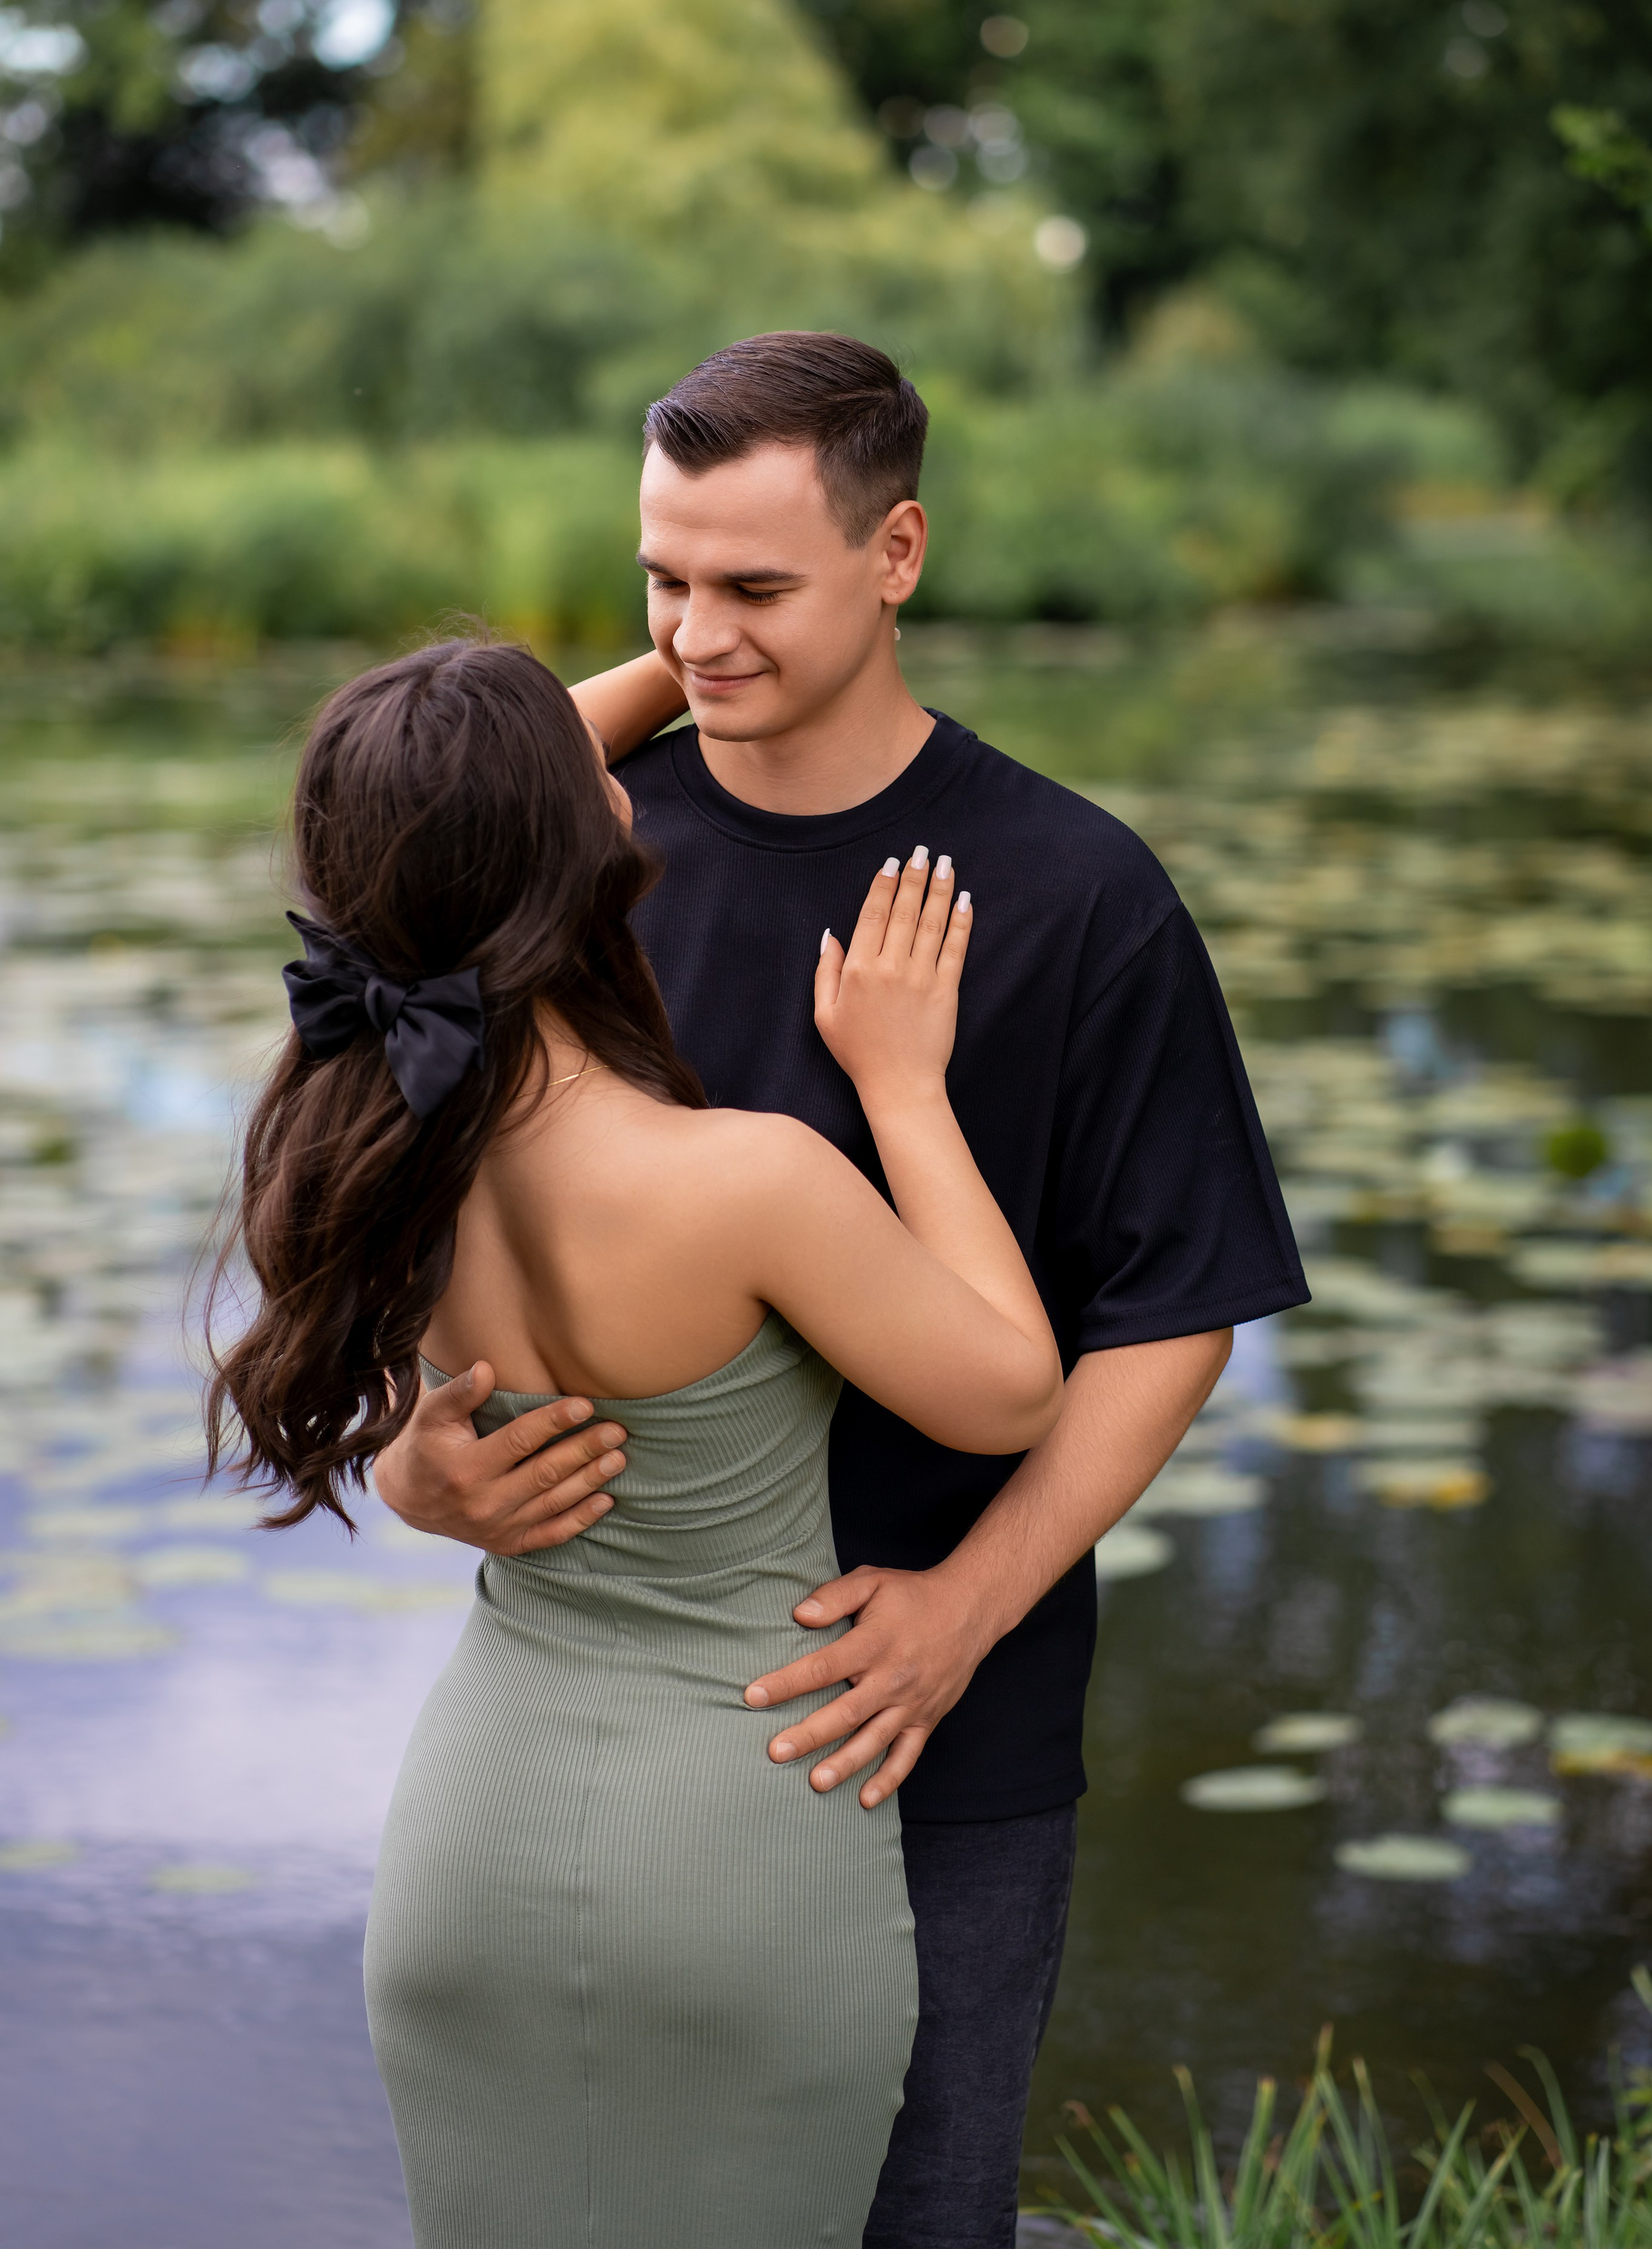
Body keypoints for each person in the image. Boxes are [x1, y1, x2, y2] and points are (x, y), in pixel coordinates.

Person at [374, 332, 1310, 2249]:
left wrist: (966, 1610)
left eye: (754, 586)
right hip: (614, 1725)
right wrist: (415, 1461)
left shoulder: (1073, 890)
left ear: (900, 556)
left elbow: (1175, 1305)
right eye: (662, 579)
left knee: (924, 2220)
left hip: (936, 1727)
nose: (698, 633)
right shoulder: (586, 858)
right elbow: (418, 1145)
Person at [204, 635, 1066, 2248]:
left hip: (476, 1844)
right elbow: (1012, 1389)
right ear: (581, 848)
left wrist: (686, 648)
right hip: (734, 1838)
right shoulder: (742, 1178)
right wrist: (904, 1085)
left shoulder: (369, 1139)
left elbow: (421, 815)